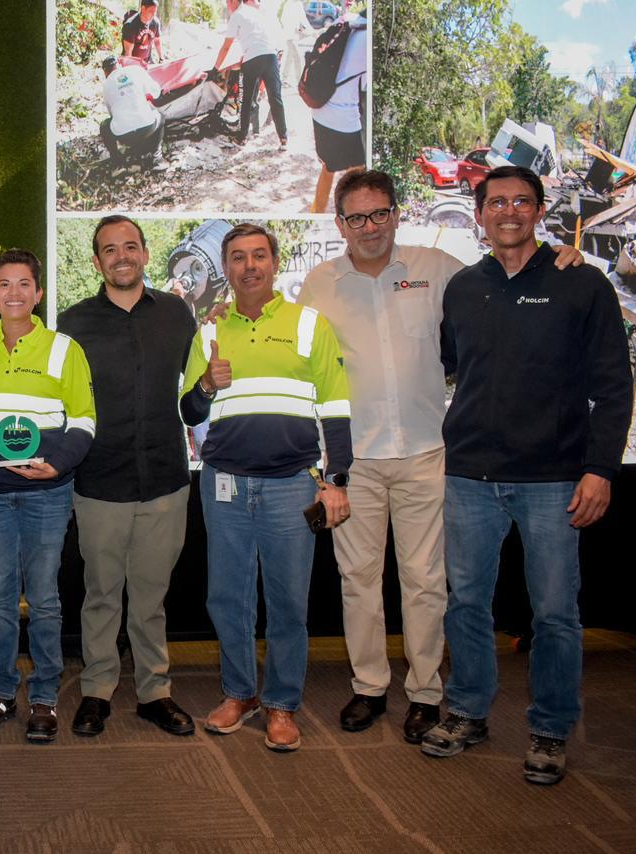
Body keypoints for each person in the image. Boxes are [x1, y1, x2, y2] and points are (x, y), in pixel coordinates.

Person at [299, 169, 589, 744]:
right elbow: (308, 380)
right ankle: (369, 686)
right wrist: (321, 470)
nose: (370, 226)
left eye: (380, 213)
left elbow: (506, 283)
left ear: (396, 213)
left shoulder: (439, 271)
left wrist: (561, 258)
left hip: (428, 455)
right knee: (357, 579)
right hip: (352, 462)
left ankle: (427, 693)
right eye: (357, 217)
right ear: (340, 225)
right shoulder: (318, 285)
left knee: (426, 581)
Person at [423, 166, 633, 785]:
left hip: (553, 480)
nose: (508, 212)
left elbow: (613, 387)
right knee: (465, 604)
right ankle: (466, 712)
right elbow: (452, 364)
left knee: (554, 614)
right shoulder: (463, 287)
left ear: (539, 211)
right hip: (469, 477)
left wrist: (600, 469)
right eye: (497, 203)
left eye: (521, 202)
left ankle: (550, 728)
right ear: (480, 213)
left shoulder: (582, 283)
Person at [180, 223, 351, 752]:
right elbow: (187, 410)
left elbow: (338, 408)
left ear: (274, 264)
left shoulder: (308, 325)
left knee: (286, 602)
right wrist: (207, 384)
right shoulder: (208, 331)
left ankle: (281, 703)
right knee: (227, 597)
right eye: (237, 258)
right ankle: (239, 693)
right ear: (225, 268)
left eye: (259, 256)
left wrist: (337, 481)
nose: (249, 265)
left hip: (290, 486)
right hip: (224, 482)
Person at [57, 216, 197, 739]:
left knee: (150, 596)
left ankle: (154, 692)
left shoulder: (178, 315)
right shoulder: (72, 325)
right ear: (97, 261)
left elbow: (194, 397)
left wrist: (206, 392)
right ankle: (96, 690)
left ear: (144, 253)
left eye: (130, 246)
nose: (122, 256)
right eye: (110, 249)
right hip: (99, 482)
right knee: (100, 594)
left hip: (165, 478)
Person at [0, 249, 96, 744]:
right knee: (1, 599)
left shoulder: (63, 349)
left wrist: (61, 461)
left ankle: (44, 696)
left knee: (47, 599)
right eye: (4, 284)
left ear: (38, 292)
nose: (14, 292)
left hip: (47, 492)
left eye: (24, 284)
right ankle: (0, 693)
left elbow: (84, 419)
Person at [309, 14, 367, 213]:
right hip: (343, 120)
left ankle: (316, 212)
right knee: (359, 175)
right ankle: (354, 217)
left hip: (319, 110)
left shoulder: (344, 22)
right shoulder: (368, 39)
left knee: (328, 167)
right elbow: (366, 87)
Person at [214, 0, 287, 149]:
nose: (227, 6)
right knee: (275, 98)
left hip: (253, 58)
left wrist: (215, 69)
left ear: (234, 1)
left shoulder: (237, 15)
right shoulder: (256, 13)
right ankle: (284, 138)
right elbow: (262, 38)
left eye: (228, 2)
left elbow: (226, 46)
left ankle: (242, 137)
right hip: (270, 56)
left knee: (246, 99)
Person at [99, 56, 165, 164]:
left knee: (104, 126)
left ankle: (117, 163)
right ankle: (156, 157)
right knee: (160, 116)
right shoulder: (136, 70)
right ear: (119, 64)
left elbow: (111, 114)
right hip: (148, 128)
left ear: (105, 72)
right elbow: (156, 93)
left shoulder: (106, 85)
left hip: (124, 137)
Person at [122, 0, 164, 64]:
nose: (153, 15)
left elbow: (157, 41)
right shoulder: (130, 25)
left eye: (155, 12)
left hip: (147, 61)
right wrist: (131, 69)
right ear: (143, 8)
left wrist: (161, 58)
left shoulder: (155, 23)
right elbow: (128, 53)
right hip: (132, 62)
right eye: (151, 11)